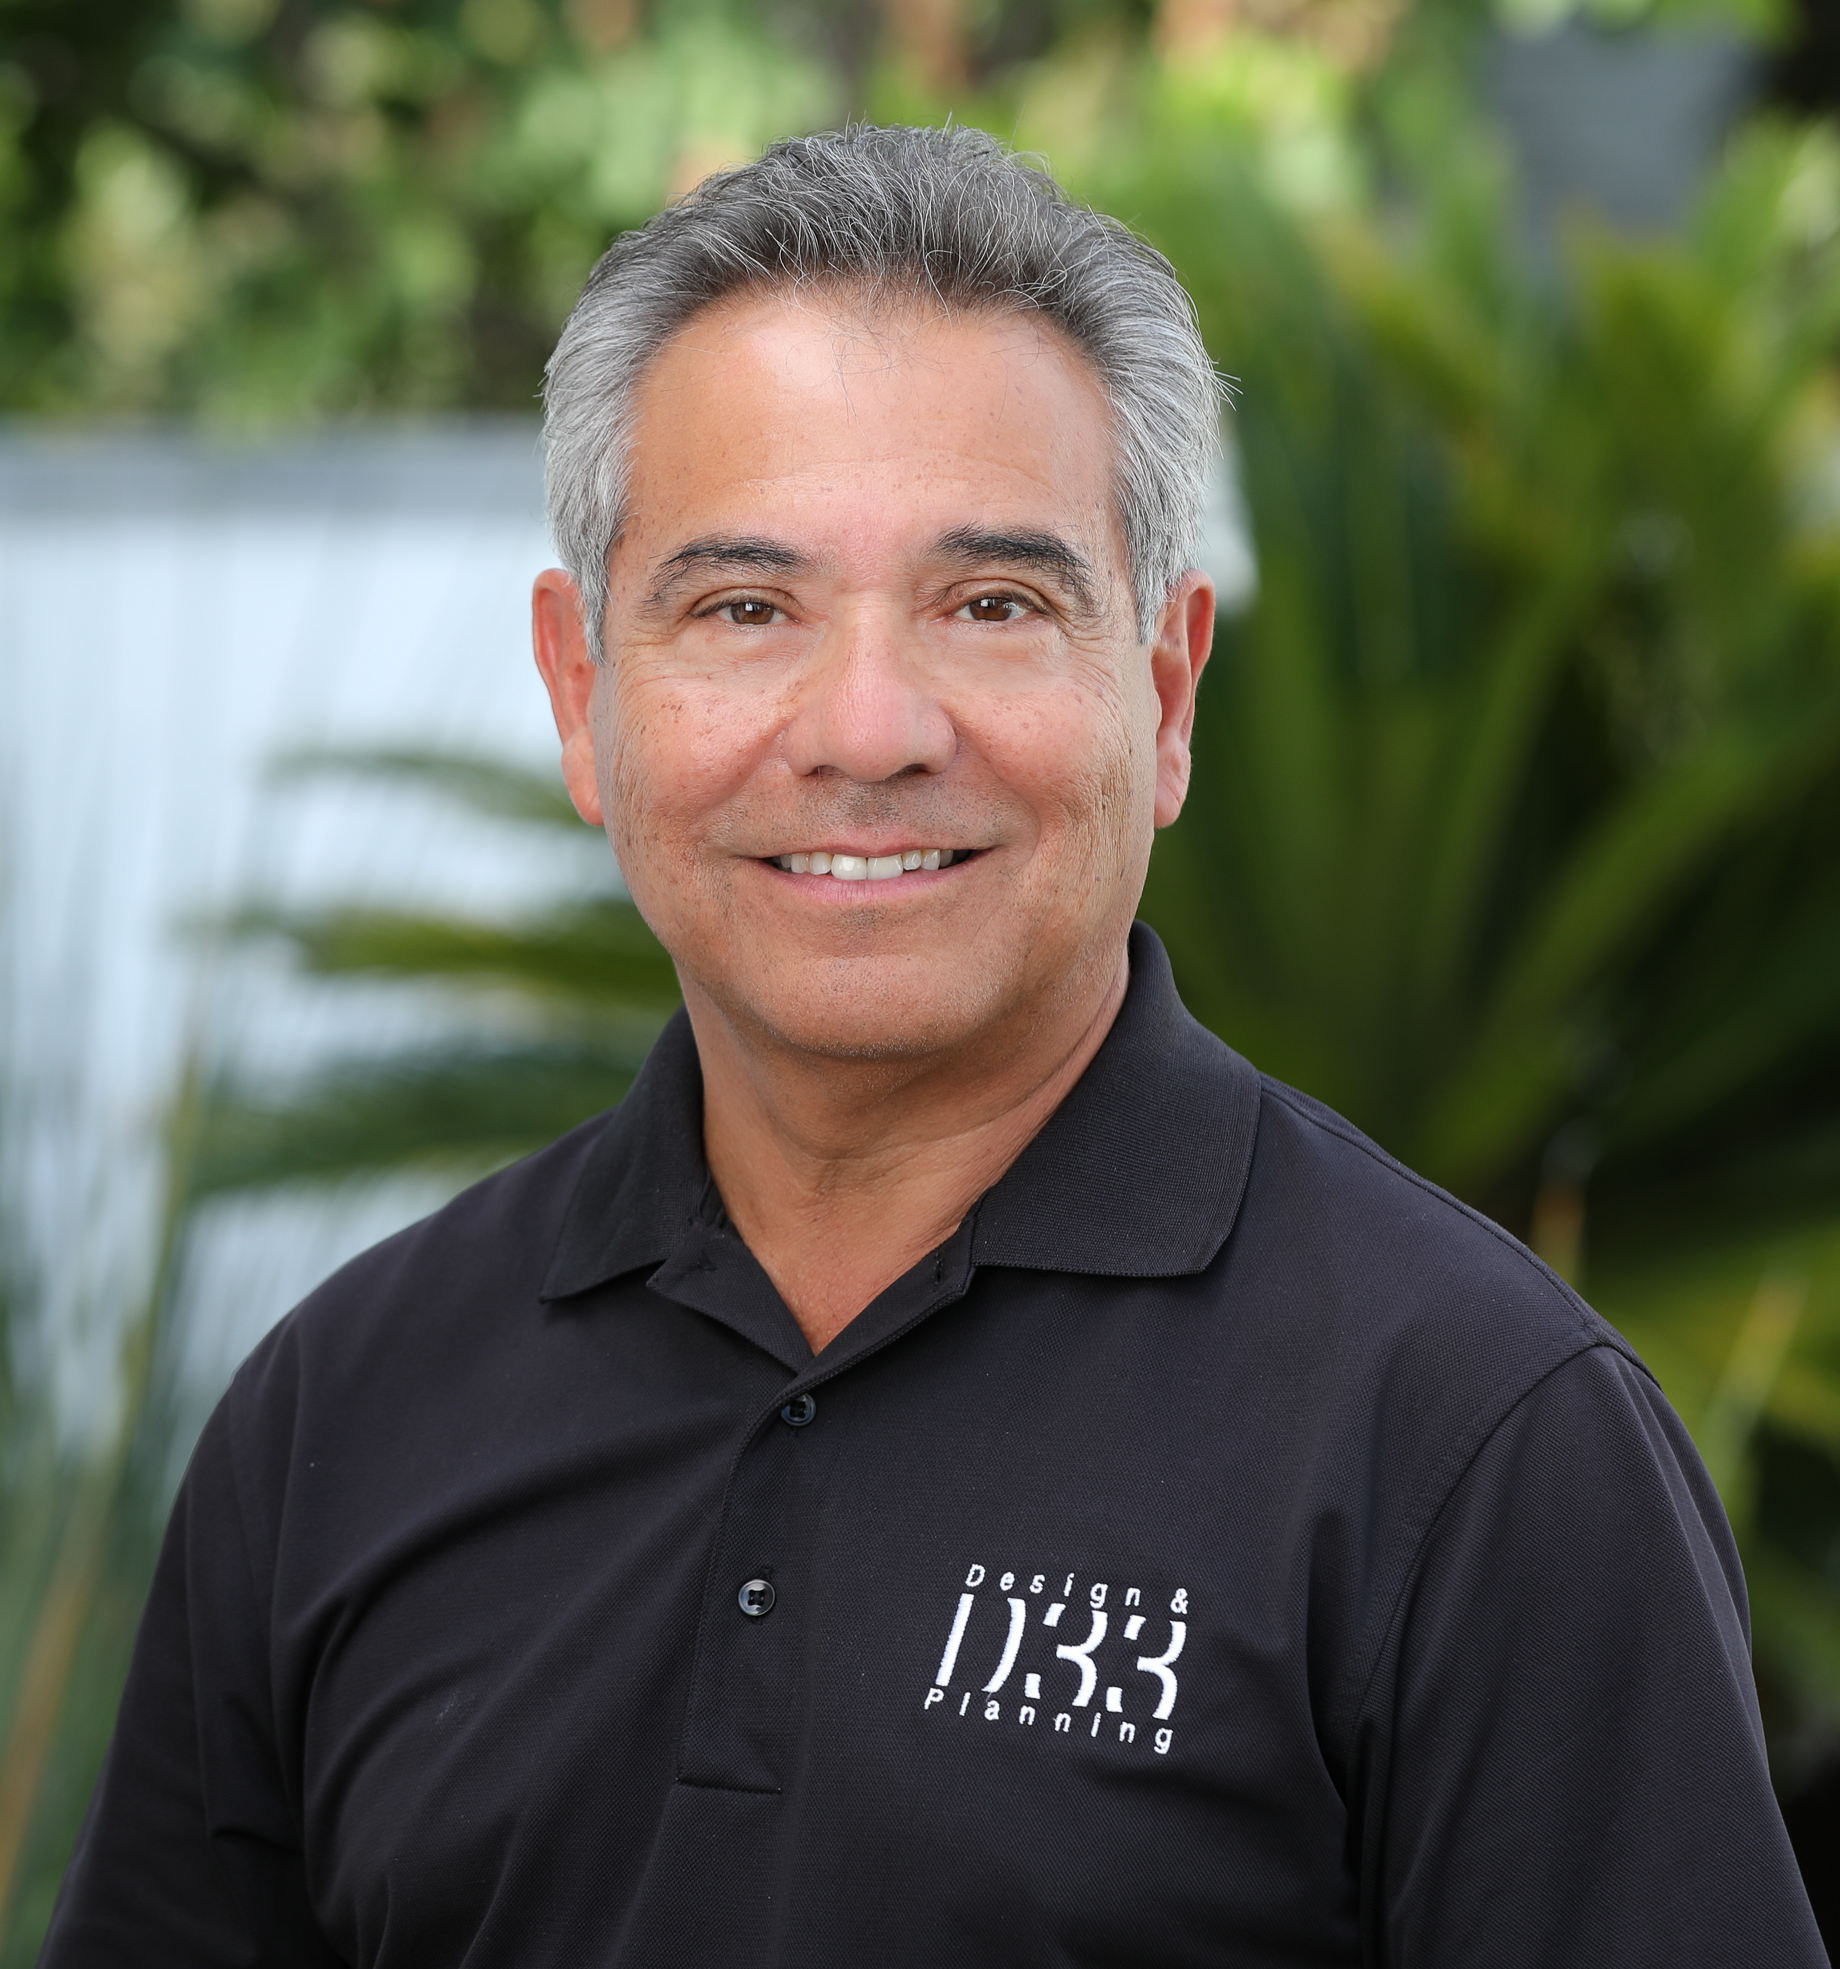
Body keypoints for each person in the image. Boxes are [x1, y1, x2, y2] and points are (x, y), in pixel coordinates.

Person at [42, 124, 1825, 1968]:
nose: (871, 727)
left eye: (993, 606)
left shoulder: (1475, 1439)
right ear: (584, 695)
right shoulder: (344, 1414)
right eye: (746, 609)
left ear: (1165, 690)